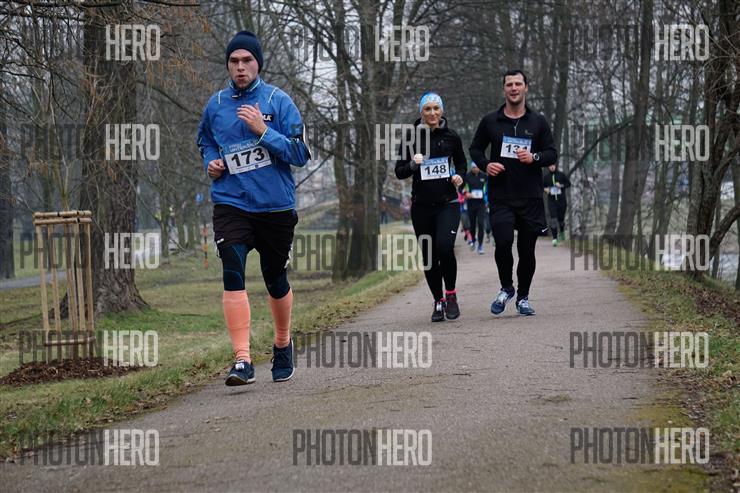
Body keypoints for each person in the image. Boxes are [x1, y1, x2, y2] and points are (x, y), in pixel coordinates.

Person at [196, 31, 310, 386]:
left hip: (275, 206)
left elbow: (300, 154)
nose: (240, 67)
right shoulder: (216, 105)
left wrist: (263, 131)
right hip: (231, 202)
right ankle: (242, 360)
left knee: (275, 278)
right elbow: (205, 141)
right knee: (232, 270)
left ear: (258, 64)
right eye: (234, 61)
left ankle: (282, 343)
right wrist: (211, 161)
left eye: (247, 60)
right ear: (228, 65)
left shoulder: (278, 101)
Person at [469, 70, 558, 316]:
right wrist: (486, 165)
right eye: (509, 84)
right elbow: (475, 149)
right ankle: (506, 288)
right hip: (501, 195)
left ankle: (523, 297)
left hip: (530, 196)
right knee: (503, 241)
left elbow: (552, 153)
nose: (514, 88)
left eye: (518, 84)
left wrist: (534, 157)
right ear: (504, 89)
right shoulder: (490, 121)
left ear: (526, 88)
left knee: (527, 251)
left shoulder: (538, 121)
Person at [395, 92, 466, 322]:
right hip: (422, 206)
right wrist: (413, 165)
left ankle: (451, 294)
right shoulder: (411, 138)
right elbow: (399, 171)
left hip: (448, 203)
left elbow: (462, 164)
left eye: (436, 108)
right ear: (421, 112)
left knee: (445, 247)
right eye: (428, 109)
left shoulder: (452, 137)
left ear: (442, 111)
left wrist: (460, 177)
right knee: (429, 255)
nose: (432, 113)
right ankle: (438, 301)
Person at [543, 163, 571, 246]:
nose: (552, 167)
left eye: (553, 165)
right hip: (552, 201)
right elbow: (542, 186)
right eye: (550, 166)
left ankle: (562, 233)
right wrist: (545, 189)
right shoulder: (546, 177)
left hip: (561, 201)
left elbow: (568, 184)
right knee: (553, 219)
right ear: (548, 167)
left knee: (561, 219)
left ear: (555, 166)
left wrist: (561, 185)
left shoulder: (561, 175)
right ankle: (555, 238)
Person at [464, 162, 487, 254]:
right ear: (471, 168)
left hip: (481, 204)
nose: (475, 169)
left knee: (481, 224)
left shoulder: (484, 176)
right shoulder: (467, 176)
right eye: (474, 168)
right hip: (471, 203)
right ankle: (473, 240)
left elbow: (488, 187)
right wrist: (466, 193)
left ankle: (480, 245)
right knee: (472, 225)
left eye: (477, 167)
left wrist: (487, 198)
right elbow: (462, 187)